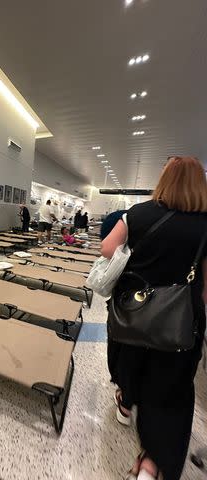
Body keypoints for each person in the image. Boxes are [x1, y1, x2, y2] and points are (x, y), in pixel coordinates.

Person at [101, 156, 207, 480]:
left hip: (132, 316)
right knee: (171, 392)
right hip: (178, 324)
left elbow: (107, 249)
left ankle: (125, 401)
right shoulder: (205, 224)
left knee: (133, 367)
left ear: (163, 180)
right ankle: (151, 464)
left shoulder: (139, 214)